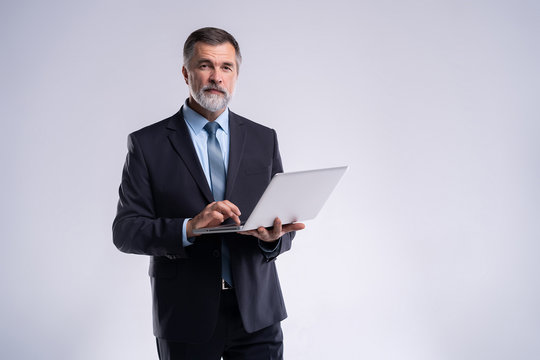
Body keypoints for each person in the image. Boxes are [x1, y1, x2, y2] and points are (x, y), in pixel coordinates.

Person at [113, 27, 304, 360]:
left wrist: (272, 239)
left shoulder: (263, 139)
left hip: (258, 315)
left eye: (226, 67)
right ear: (186, 72)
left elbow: (282, 226)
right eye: (205, 65)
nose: (216, 77)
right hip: (185, 315)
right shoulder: (148, 144)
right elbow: (126, 231)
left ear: (236, 74)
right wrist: (189, 228)